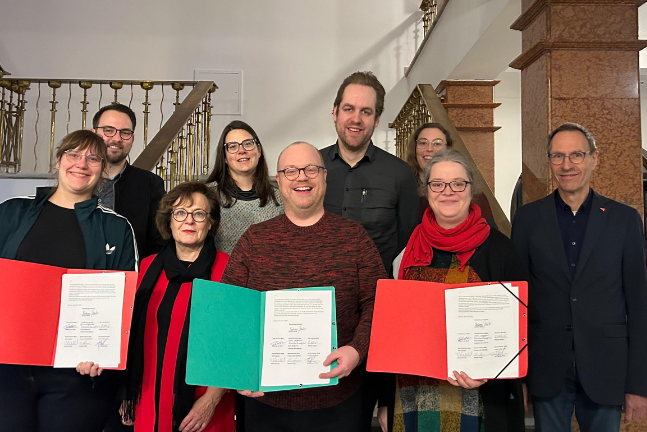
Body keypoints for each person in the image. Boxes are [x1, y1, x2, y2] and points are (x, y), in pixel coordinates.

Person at [0, 130, 138, 432]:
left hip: (76, 380)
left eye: (93, 158)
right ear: (58, 160)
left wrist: (103, 352)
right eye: (73, 154)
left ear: (103, 169)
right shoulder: (10, 213)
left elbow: (123, 305)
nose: (81, 164)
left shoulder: (116, 229)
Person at [221, 142, 386, 432]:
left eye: (311, 169)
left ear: (324, 176)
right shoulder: (254, 240)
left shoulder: (354, 238)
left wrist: (357, 350)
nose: (301, 177)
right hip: (265, 404)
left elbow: (379, 302)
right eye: (291, 171)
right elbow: (228, 308)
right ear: (279, 179)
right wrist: (239, 368)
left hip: (340, 402)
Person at [511, 123, 647, 432]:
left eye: (576, 155)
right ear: (550, 161)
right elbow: (517, 301)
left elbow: (639, 306)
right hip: (546, 367)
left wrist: (640, 385)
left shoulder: (623, 219)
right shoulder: (528, 219)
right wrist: (516, 376)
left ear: (594, 159)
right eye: (558, 156)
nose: (567, 165)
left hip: (607, 367)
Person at [380, 149, 525, 432]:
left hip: (479, 396)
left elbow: (522, 324)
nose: (448, 191)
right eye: (438, 184)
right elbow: (390, 329)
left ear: (472, 189)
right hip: (413, 392)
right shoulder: (406, 248)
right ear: (426, 191)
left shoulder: (501, 251)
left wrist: (490, 372)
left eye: (458, 183)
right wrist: (385, 399)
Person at [79, 182, 235, 432]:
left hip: (204, 405)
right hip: (149, 397)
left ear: (210, 223)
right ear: (169, 221)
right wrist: (125, 389)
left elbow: (235, 344)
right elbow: (125, 332)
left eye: (198, 214)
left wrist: (210, 401)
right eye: (180, 213)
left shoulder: (229, 271)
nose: (189, 221)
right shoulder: (146, 268)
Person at [321, 71, 420, 430]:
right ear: (335, 112)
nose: (356, 118)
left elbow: (408, 252)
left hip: (377, 316)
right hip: (317, 311)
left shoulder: (400, 175)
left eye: (366, 111)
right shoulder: (311, 169)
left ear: (377, 119)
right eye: (349, 109)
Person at [92, 103, 167, 258]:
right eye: (108, 130)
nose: (117, 139)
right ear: (94, 134)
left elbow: (160, 243)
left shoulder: (150, 184)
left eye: (125, 133)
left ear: (132, 139)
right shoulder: (77, 178)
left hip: (132, 270)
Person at [207, 120, 283, 254]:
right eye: (232, 146)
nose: (241, 151)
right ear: (224, 157)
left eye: (248, 144)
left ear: (259, 151)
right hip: (219, 268)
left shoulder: (281, 199)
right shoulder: (207, 196)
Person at [404, 122, 453, 216]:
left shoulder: (461, 186)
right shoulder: (402, 185)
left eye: (437, 143)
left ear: (448, 149)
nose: (429, 149)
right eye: (423, 143)